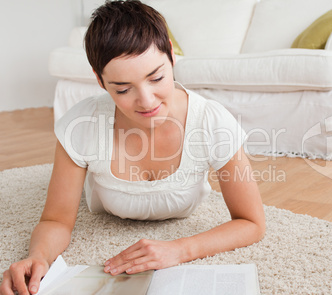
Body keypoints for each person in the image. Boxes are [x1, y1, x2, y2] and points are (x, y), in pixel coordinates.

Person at [0, 1, 265, 294]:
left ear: (172, 57)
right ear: (100, 80)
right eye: (123, 89)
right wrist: (37, 257)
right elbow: (56, 220)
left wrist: (180, 249)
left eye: (157, 78)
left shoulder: (212, 121)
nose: (147, 101)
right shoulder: (82, 124)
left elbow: (251, 222)